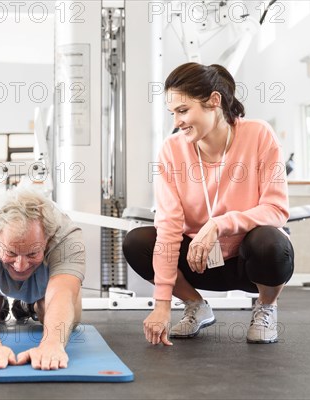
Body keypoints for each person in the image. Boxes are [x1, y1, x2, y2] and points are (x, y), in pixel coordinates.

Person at [123, 62, 294, 346]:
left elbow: (276, 209)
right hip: (199, 263)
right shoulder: (172, 150)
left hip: (248, 263)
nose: (177, 121)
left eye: (183, 110)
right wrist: (162, 303)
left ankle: (266, 307)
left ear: (214, 101)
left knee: (271, 242)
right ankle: (195, 305)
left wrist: (219, 224)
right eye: (173, 113)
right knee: (137, 241)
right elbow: (168, 226)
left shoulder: (259, 135)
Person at [0, 187, 85, 370]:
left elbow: (64, 293)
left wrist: (52, 345)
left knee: (70, 320)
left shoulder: (67, 236)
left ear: (48, 238)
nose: (20, 266)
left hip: (46, 283)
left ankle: (32, 304)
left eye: (32, 253)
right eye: (11, 252)